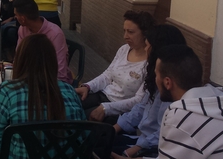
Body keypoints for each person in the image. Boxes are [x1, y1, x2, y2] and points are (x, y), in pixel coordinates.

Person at [0, 33, 86, 156]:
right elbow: (83, 138)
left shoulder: (7, 92)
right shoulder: (69, 91)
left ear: (20, 60)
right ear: (53, 62)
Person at [109, 25, 186, 158]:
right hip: (142, 140)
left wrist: (131, 151)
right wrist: (113, 130)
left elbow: (164, 133)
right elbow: (141, 107)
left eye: (147, 46)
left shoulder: (175, 91)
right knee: (96, 141)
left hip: (152, 147)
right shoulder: (155, 78)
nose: (145, 50)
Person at [75, 10, 155, 123]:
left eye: (131, 32)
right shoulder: (124, 49)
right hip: (102, 94)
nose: (125, 36)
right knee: (71, 105)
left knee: (81, 120)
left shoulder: (150, 64)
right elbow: (108, 75)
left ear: (145, 34)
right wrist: (88, 87)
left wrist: (106, 108)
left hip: (120, 109)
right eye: (124, 31)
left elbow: (139, 100)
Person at [150, 45, 223, 159]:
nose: (155, 80)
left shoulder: (180, 117)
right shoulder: (217, 95)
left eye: (156, 75)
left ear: (167, 82)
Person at [13, 0, 72, 85]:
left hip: (52, 83)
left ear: (22, 18)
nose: (15, 17)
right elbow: (19, 57)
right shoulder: (23, 29)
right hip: (28, 79)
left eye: (16, 15)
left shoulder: (55, 34)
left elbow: (60, 71)